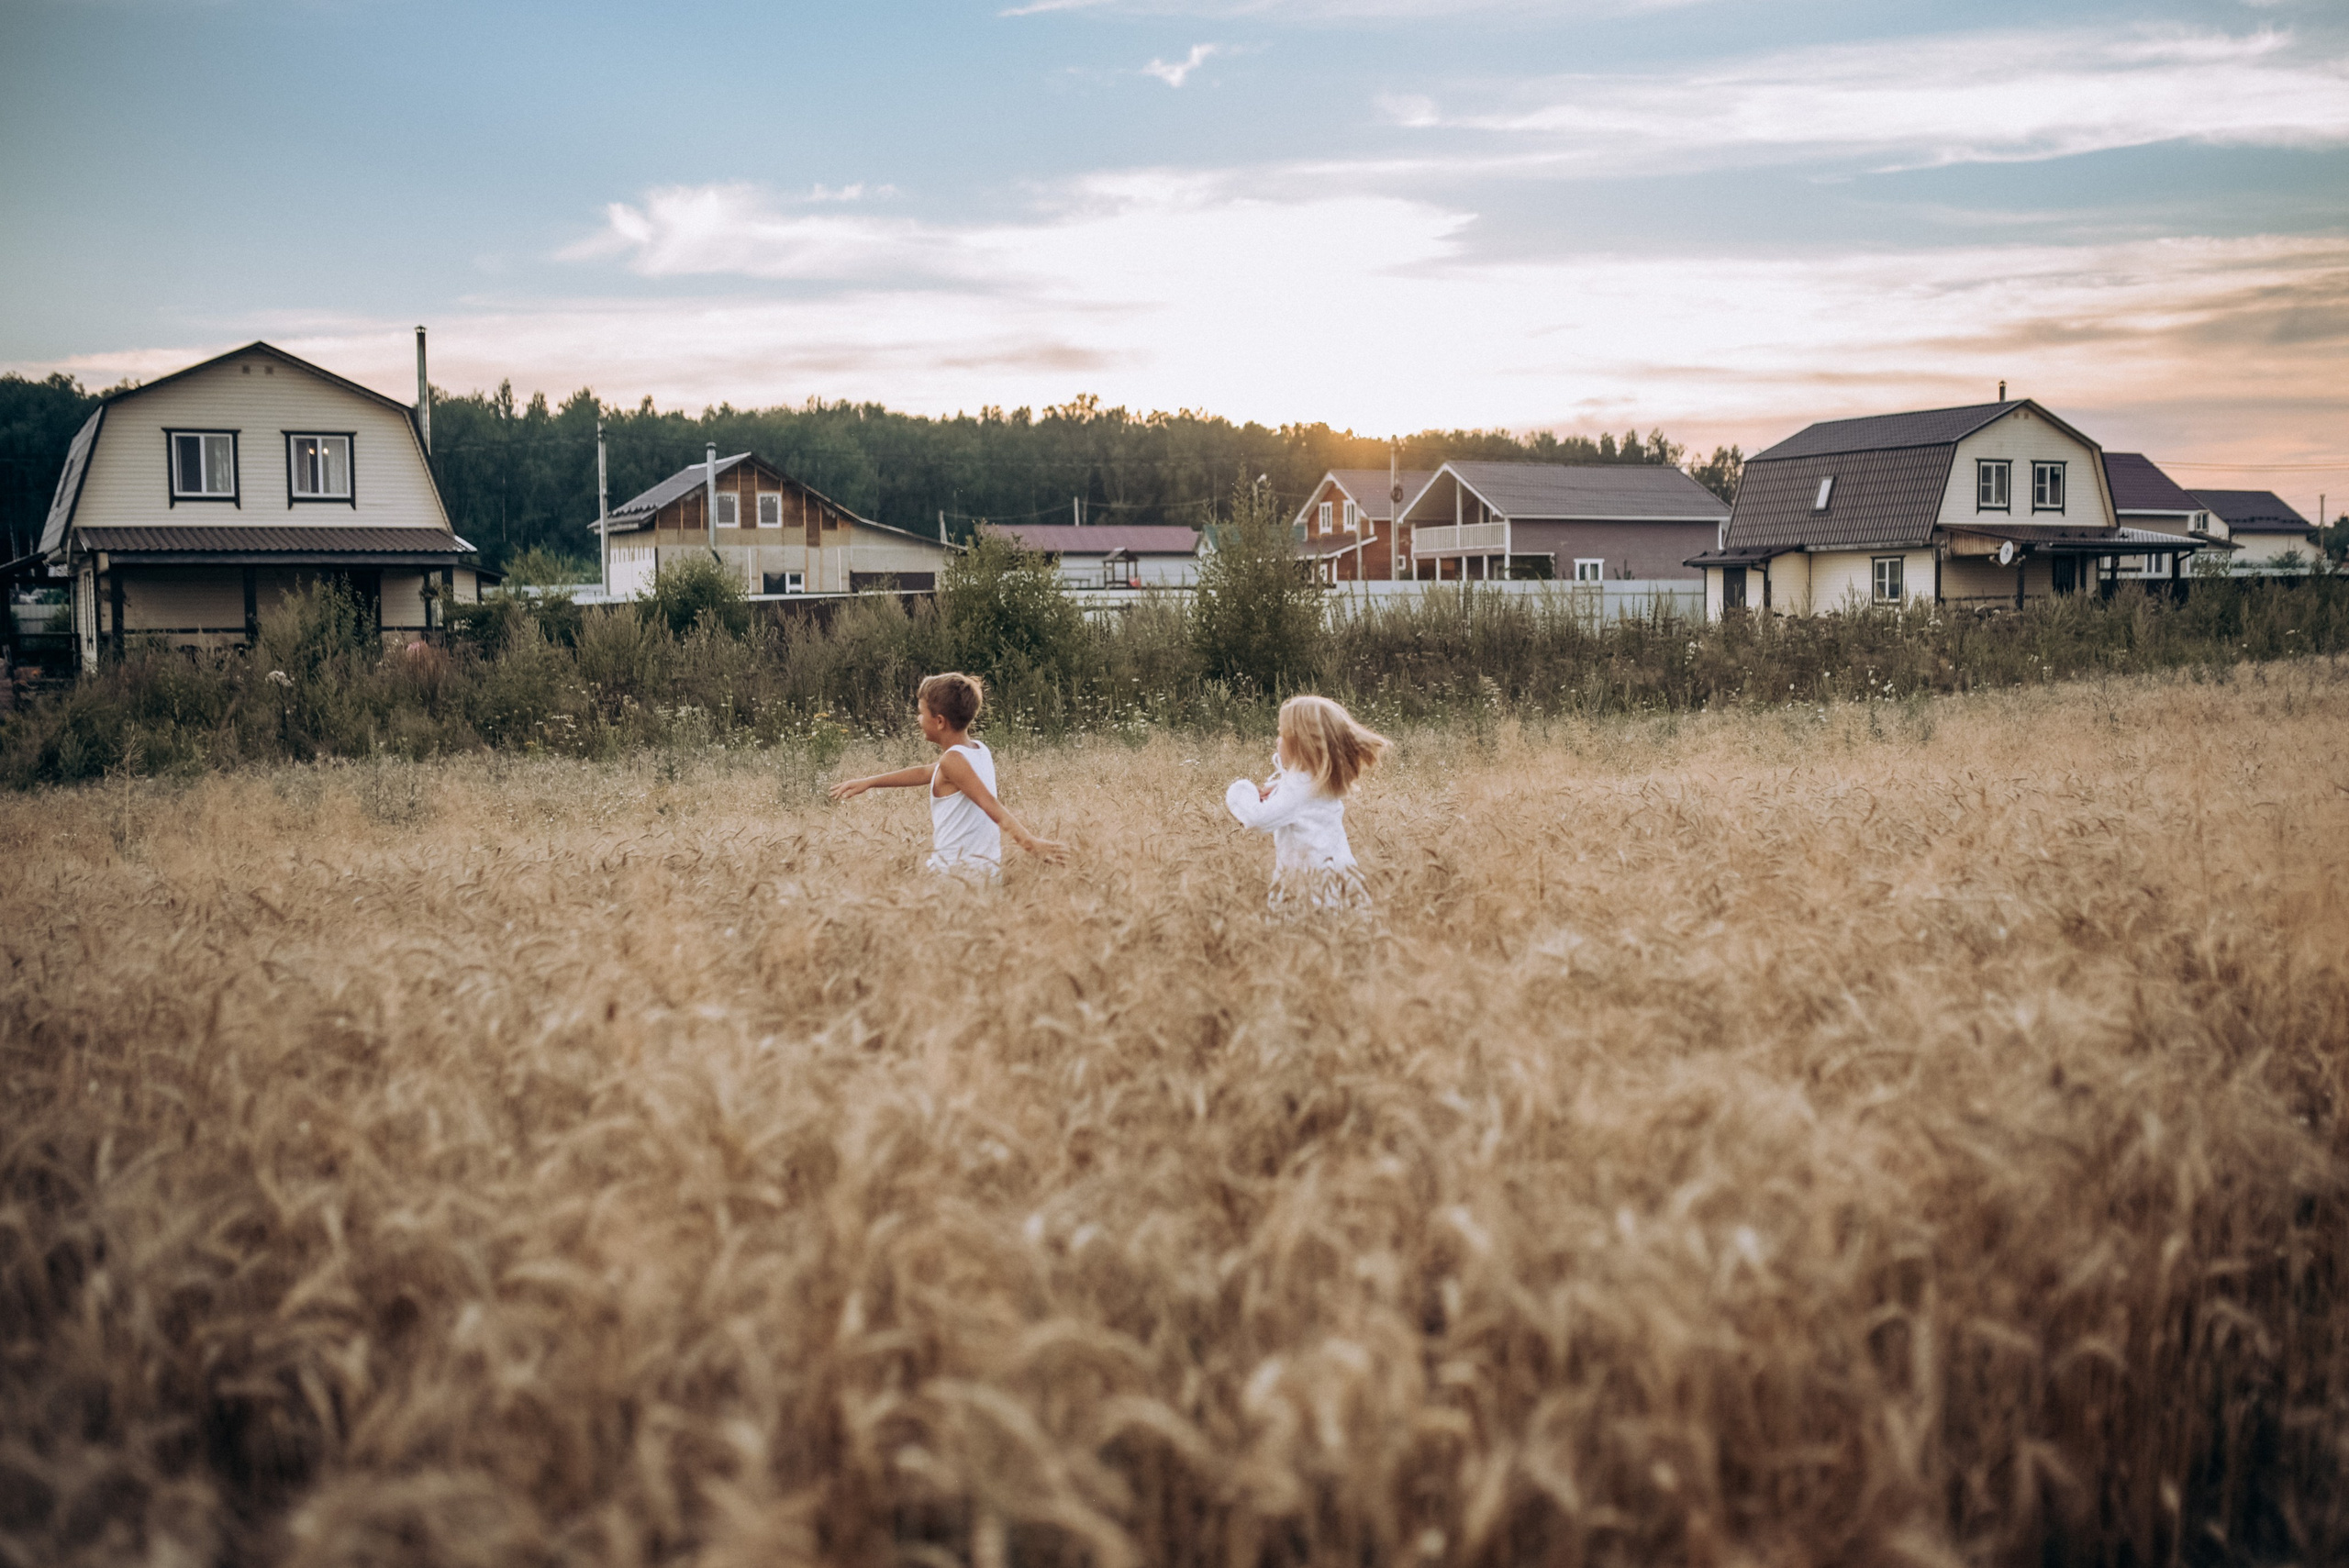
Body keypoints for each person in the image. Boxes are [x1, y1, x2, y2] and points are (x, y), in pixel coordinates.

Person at [829, 672, 1063, 877]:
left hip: (954, 874)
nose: (918, 719)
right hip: (983, 872)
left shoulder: (953, 760)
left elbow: (990, 804)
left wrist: (1029, 842)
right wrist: (869, 782)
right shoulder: (977, 751)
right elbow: (924, 772)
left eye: (921, 713)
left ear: (939, 721)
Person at [1224, 695, 1388, 911]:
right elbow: (1302, 801)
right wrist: (1279, 789)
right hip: (1341, 882)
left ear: (1300, 744)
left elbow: (1257, 819)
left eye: (1281, 734)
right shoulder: (1319, 781)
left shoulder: (1298, 787)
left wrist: (1240, 790)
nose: (1277, 741)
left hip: (1309, 890)